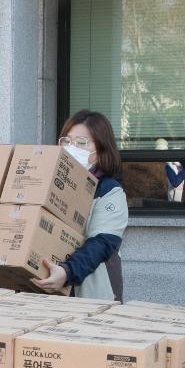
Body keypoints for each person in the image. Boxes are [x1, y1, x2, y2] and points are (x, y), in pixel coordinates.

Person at [32, 110, 129, 301]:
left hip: (90, 299)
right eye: (67, 141)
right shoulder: (47, 184)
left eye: (82, 143)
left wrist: (67, 273)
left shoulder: (110, 191)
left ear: (101, 149)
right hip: (42, 296)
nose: (72, 148)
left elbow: (101, 244)